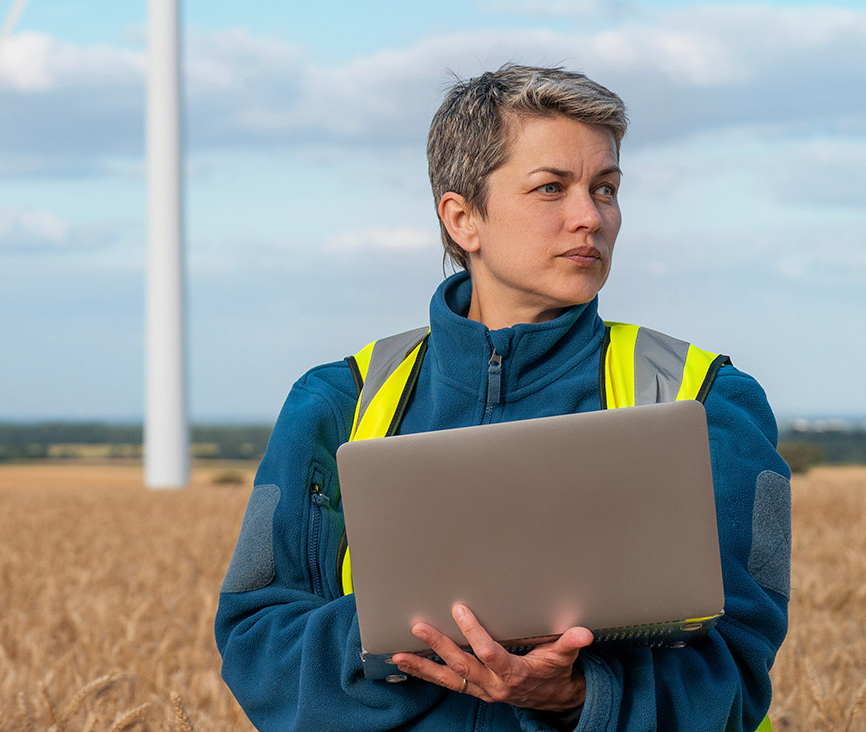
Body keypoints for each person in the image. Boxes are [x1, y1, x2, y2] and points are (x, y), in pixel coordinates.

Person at [215, 64, 790, 732]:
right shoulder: (333, 402)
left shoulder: (709, 399)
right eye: (552, 188)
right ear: (463, 218)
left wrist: (579, 696)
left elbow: (738, 677)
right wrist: (421, 638)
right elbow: (256, 648)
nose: (591, 217)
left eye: (605, 188)